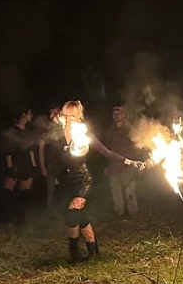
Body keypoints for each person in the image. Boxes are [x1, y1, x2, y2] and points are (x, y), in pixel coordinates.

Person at [51, 100, 145, 262]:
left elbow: (106, 152)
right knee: (76, 218)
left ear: (79, 116)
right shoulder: (60, 134)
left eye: (72, 116)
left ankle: (80, 253)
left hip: (83, 180)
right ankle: (88, 252)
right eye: (66, 115)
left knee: (73, 213)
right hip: (67, 181)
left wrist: (129, 162)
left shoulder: (84, 133)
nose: (69, 119)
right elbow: (57, 158)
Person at [103, 106, 141, 219]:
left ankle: (132, 212)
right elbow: (105, 150)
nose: (116, 116)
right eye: (114, 114)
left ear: (124, 115)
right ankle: (119, 211)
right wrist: (106, 166)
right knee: (115, 190)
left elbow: (138, 148)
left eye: (119, 113)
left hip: (128, 164)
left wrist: (134, 162)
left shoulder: (130, 130)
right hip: (113, 165)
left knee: (129, 190)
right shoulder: (110, 131)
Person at [2, 108, 37, 224]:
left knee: (25, 193)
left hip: (26, 163)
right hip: (16, 162)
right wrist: (10, 167)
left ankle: (20, 220)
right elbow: (8, 150)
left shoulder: (28, 131)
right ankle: (7, 218)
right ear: (23, 114)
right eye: (30, 114)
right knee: (8, 192)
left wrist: (34, 166)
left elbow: (31, 150)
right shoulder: (13, 130)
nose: (31, 116)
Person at [37, 106, 62, 212]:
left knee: (61, 187)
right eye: (51, 113)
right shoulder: (46, 130)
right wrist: (42, 166)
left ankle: (62, 210)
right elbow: (41, 149)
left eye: (55, 113)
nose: (52, 115)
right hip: (50, 163)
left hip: (62, 163)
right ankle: (50, 211)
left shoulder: (63, 127)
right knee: (50, 189)